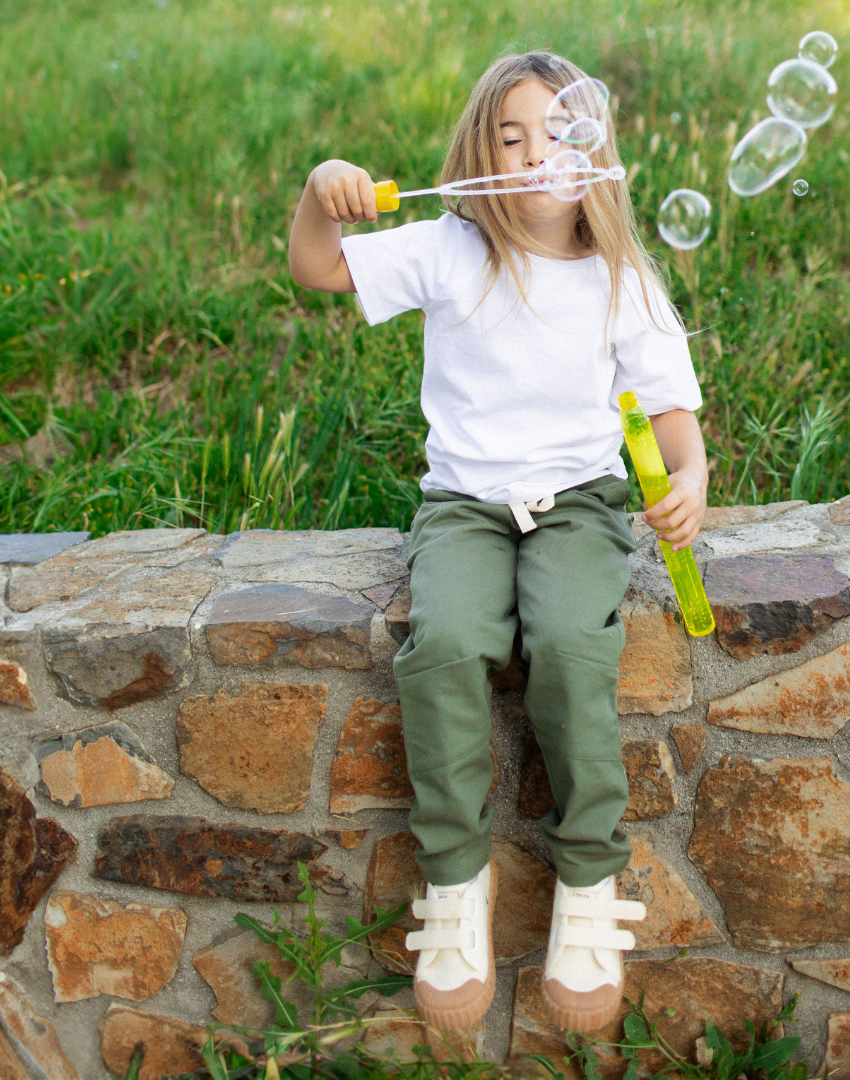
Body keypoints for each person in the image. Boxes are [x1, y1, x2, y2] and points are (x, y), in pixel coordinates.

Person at [288, 51, 708, 1033]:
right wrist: (320, 195)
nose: (529, 158)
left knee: (568, 641)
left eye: (555, 137)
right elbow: (316, 266)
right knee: (441, 645)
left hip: (587, 502)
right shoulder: (447, 246)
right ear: (478, 154)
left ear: (594, 161)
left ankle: (592, 886)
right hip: (465, 504)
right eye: (507, 138)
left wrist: (688, 483)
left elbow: (679, 420)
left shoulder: (619, 276)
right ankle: (454, 889)